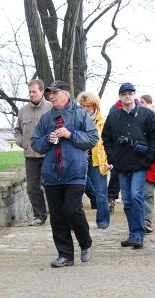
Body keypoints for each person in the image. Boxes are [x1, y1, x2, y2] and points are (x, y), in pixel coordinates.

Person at [31, 80, 98, 267]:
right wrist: (48, 139)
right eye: (49, 93)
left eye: (55, 92)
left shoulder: (80, 115)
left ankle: (86, 243)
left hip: (74, 172)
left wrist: (70, 135)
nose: (51, 96)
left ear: (66, 94)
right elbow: (35, 143)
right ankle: (65, 255)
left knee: (71, 209)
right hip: (52, 174)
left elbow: (93, 139)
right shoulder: (46, 118)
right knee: (58, 216)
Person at [102, 82, 155, 249]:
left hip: (140, 162)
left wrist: (149, 156)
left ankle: (138, 234)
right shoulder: (114, 116)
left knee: (136, 195)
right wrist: (112, 156)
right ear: (120, 96)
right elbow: (106, 137)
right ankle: (133, 233)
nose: (127, 96)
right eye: (124, 93)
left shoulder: (146, 114)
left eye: (130, 93)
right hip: (121, 164)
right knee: (127, 200)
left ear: (134, 95)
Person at [14, 79, 52, 226]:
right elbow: (17, 130)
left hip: (48, 154)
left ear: (42, 92)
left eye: (34, 91)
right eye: (29, 92)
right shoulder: (23, 111)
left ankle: (56, 214)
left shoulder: (50, 108)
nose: (31, 94)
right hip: (30, 155)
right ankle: (39, 216)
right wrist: (22, 142)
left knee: (50, 185)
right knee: (32, 188)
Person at [77, 92, 112, 229]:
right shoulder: (77, 120)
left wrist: (109, 161)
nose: (85, 109)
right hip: (81, 158)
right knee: (79, 188)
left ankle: (103, 220)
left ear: (95, 106)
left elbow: (109, 142)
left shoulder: (103, 121)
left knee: (101, 192)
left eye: (88, 106)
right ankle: (77, 221)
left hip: (99, 159)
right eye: (83, 106)